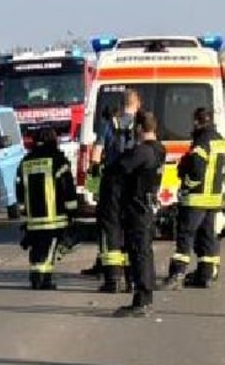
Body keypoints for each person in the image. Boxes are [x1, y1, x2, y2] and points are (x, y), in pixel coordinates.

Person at [163, 107, 225, 289]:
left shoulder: (201, 142)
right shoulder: (220, 141)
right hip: (214, 199)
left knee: (185, 236)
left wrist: (186, 184)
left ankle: (177, 274)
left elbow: (197, 170)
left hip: (197, 198)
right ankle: (205, 275)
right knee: (208, 238)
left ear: (197, 121)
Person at [86, 88, 142, 292]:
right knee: (132, 229)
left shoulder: (110, 124)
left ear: (121, 104)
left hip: (112, 182)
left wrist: (94, 176)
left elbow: (97, 152)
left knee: (112, 228)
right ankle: (132, 280)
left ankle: (113, 280)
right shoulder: (141, 124)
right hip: (134, 184)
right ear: (137, 103)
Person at [113, 111, 166, 317]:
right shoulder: (159, 149)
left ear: (139, 128)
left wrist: (123, 146)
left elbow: (120, 168)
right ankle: (145, 296)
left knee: (139, 253)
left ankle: (142, 300)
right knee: (144, 251)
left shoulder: (142, 151)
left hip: (137, 208)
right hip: (146, 206)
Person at [16, 126, 78, 290]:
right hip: (54, 217)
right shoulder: (58, 160)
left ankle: (37, 277)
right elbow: (67, 187)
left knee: (37, 248)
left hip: (33, 218)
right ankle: (43, 280)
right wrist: (72, 210)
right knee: (49, 248)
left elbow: (19, 188)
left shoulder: (26, 161)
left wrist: (23, 211)